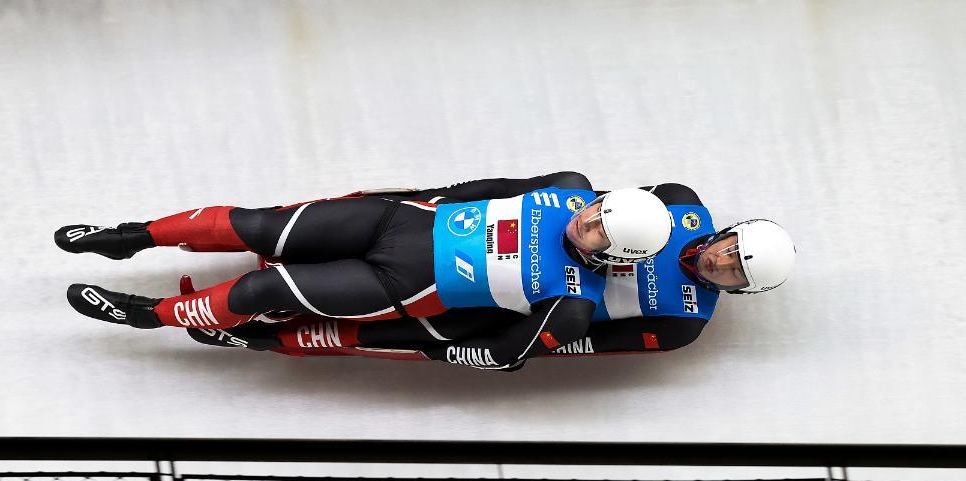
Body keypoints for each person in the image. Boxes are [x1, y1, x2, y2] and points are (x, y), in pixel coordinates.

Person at [56, 172, 674, 370]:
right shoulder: (567, 188)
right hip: (398, 222)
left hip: (399, 289)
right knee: (258, 226)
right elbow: (476, 187)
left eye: (598, 231)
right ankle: (129, 238)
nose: (585, 223)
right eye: (595, 212)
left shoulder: (573, 305)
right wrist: (394, 196)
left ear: (614, 258)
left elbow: (508, 353)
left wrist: (443, 351)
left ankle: (144, 315)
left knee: (262, 286)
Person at [176, 181, 797, 368]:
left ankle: (261, 333)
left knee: (402, 329)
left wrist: (511, 348)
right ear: (728, 232)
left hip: (529, 311)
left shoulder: (685, 324)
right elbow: (587, 208)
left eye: (736, 274)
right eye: (732, 249)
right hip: (508, 254)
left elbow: (596, 341)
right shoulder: (676, 202)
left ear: (741, 291)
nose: (722, 263)